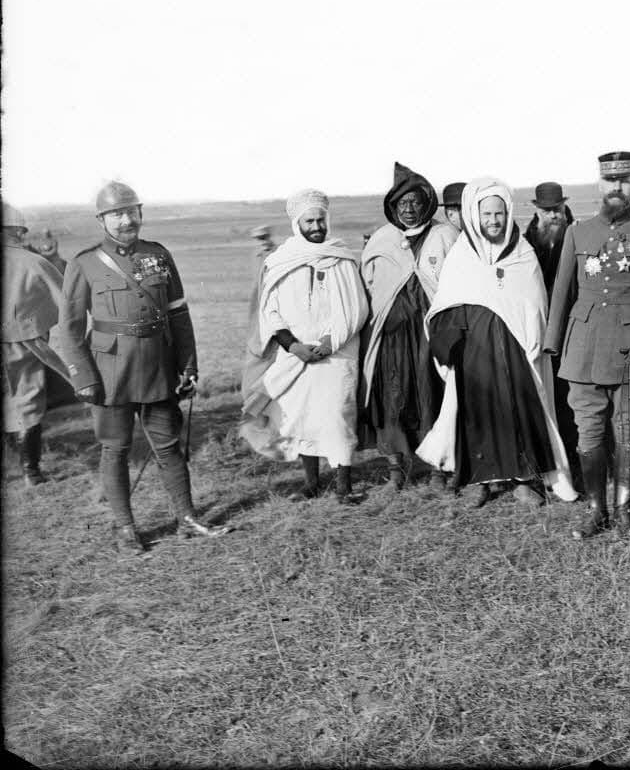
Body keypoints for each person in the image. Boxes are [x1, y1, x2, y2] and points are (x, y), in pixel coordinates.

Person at [58, 181, 228, 553]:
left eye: (131, 212)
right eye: (116, 214)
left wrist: (188, 366)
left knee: (169, 448)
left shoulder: (159, 255)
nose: (125, 220)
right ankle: (125, 530)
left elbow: (179, 316)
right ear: (101, 220)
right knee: (115, 450)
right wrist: (83, 376)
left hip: (158, 368)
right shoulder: (84, 263)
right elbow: (70, 329)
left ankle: (187, 517)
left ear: (141, 213)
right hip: (109, 374)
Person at [417, 179, 578, 506]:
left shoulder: (523, 254)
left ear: (508, 213)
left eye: (500, 213)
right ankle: (482, 481)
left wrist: (531, 338)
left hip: (516, 349)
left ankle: (524, 479)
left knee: (521, 411)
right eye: (487, 214)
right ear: (474, 215)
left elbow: (535, 304)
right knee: (477, 414)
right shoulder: (461, 256)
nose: (494, 220)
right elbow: (445, 304)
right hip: (474, 351)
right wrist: (454, 339)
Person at [544, 151, 630, 540]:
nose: (616, 187)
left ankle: (624, 509)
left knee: (629, 432)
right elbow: (562, 293)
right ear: (599, 185)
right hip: (583, 349)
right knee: (589, 432)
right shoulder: (577, 233)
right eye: (610, 181)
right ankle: (596, 509)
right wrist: (554, 342)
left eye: (625, 180)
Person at [241, 189, 369, 503]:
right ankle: (312, 483)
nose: (316, 226)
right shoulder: (280, 261)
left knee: (337, 415)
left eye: (320, 219)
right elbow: (270, 311)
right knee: (302, 417)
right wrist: (293, 345)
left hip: (336, 353)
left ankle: (343, 486)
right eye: (309, 221)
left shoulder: (341, 257)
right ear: (298, 223)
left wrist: (329, 342)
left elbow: (357, 308)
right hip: (295, 356)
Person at [358, 163, 457, 489]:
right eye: (402, 204)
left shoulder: (444, 235)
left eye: (415, 202)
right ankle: (396, 470)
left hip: (430, 335)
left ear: (426, 202)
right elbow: (368, 285)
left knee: (433, 396)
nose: (409, 210)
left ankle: (437, 470)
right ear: (393, 207)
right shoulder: (381, 240)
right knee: (391, 398)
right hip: (391, 338)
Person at [3, 203, 67, 486]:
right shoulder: (33, 261)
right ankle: (31, 471)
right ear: (17, 231)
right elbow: (66, 300)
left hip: (20, 341)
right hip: (24, 342)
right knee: (27, 402)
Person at [523, 181, 579, 485]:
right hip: (539, 332)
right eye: (547, 211)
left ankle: (574, 460)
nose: (553, 216)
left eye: (557, 209)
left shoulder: (579, 233)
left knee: (571, 398)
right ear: (537, 210)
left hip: (572, 330)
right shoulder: (524, 242)